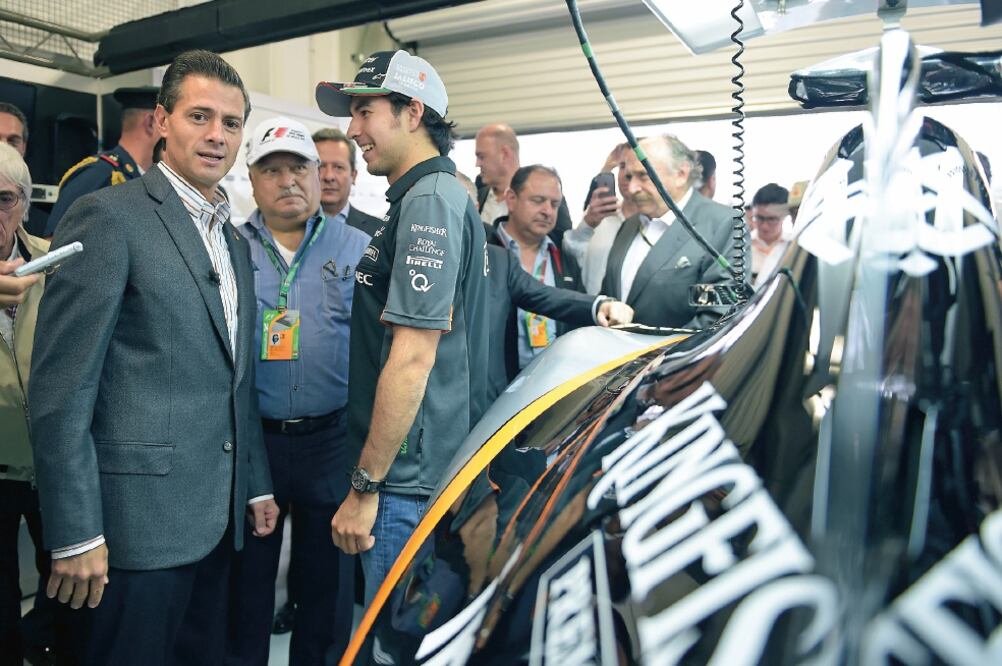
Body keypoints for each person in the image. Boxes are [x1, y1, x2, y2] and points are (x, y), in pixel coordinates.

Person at [28, 50, 278, 666]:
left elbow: (232, 381)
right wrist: (76, 531)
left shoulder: (234, 242)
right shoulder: (109, 218)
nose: (217, 135)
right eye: (200, 116)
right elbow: (61, 392)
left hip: (216, 526)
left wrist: (254, 486)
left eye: (231, 122)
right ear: (161, 121)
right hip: (132, 535)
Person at [316, 49, 489, 602]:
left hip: (403, 481)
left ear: (412, 112)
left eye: (365, 111)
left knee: (397, 642)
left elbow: (413, 358)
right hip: (406, 474)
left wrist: (366, 487)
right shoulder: (419, 197)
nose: (353, 129)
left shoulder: (431, 202)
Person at [226, 117, 370, 666]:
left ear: (319, 175)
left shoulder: (359, 248)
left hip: (330, 441)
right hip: (251, 444)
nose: (288, 181)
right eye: (273, 170)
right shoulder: (230, 245)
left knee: (327, 585)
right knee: (248, 585)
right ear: (253, 180)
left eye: (299, 168)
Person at [0, 142, 52, 666]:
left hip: (53, 461)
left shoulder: (55, 261)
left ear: (24, 203)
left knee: (66, 587)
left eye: (3, 199)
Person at [602, 134, 740, 329]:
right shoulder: (629, 226)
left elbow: (717, 314)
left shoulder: (721, 225)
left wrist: (660, 358)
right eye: (629, 177)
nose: (632, 188)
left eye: (643, 175)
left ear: (681, 174)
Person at [488, 165, 587, 376]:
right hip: (497, 386)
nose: (547, 211)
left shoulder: (565, 259)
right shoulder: (485, 251)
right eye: (538, 200)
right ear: (511, 199)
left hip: (552, 383)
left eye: (554, 204)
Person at [43, 87, 160, 237]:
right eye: (166, 123)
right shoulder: (99, 174)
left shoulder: (149, 181)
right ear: (150, 122)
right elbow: (55, 244)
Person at [474, 122, 572, 246]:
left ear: (505, 154)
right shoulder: (476, 195)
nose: (477, 164)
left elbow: (562, 245)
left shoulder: (549, 197)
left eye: (482, 156)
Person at [562, 142, 635, 294]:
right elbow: (571, 254)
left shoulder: (660, 224)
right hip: (591, 312)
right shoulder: (598, 219)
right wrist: (587, 224)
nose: (627, 173)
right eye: (622, 166)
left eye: (637, 167)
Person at [312, 127, 383, 235]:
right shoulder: (286, 227)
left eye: (338, 167)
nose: (329, 176)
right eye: (320, 167)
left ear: (353, 176)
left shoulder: (380, 232)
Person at [750, 183, 792, 286]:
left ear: (785, 216)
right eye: (759, 218)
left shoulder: (792, 246)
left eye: (772, 219)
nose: (764, 226)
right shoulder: (740, 245)